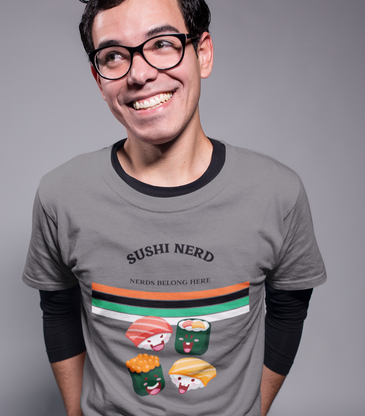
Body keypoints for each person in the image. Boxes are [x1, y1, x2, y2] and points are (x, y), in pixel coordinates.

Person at [22, 0, 326, 415]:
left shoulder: (277, 193)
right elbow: (57, 311)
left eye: (162, 44)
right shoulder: (61, 194)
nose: (139, 74)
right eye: (114, 56)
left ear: (203, 54)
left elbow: (289, 311)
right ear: (98, 79)